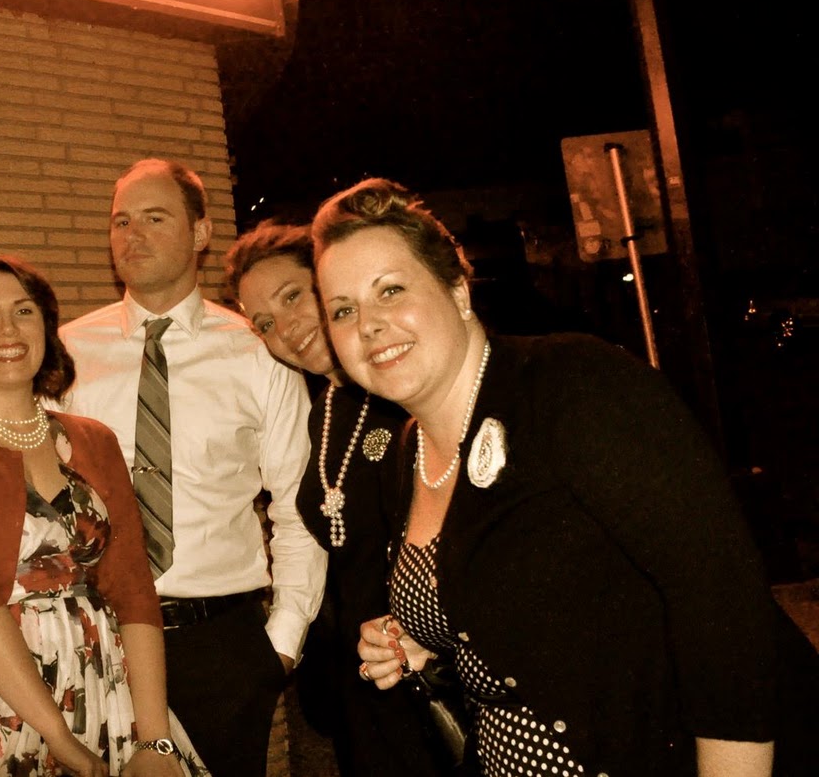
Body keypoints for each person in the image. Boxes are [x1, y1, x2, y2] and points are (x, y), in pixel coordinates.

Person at [314, 177, 814, 777]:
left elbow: (721, 601)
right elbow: (522, 609)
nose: (368, 324)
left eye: (390, 290)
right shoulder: (408, 453)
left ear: (457, 290)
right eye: (343, 310)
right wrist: (421, 640)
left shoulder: (572, 385)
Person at [0, 253, 206, 776]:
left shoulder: (94, 440)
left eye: (24, 311)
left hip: (106, 692)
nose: (8, 329)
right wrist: (57, 735)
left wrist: (155, 740)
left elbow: (133, 590)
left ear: (47, 330)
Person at [58, 159, 325, 777]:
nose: (132, 236)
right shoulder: (68, 353)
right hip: (102, 639)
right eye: (121, 221)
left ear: (201, 232)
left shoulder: (258, 352)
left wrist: (281, 645)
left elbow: (297, 506)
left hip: (220, 644)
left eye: (155, 218)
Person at [225, 221, 445, 777]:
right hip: (358, 685)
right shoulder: (321, 409)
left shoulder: (403, 393)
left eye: (293, 297)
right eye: (264, 323)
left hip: (426, 669)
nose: (286, 328)